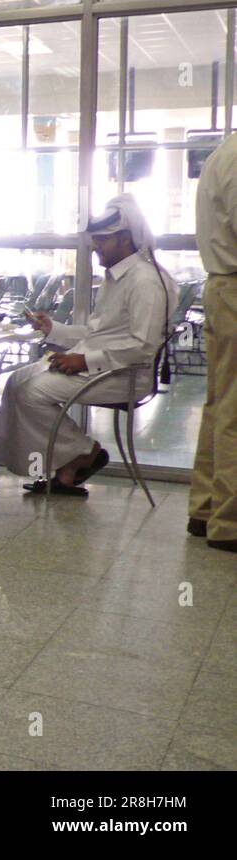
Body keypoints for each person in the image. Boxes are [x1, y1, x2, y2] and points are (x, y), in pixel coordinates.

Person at [0, 194, 177, 496]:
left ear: (124, 240)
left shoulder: (145, 282)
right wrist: (53, 329)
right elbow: (97, 334)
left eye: (102, 241)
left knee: (30, 393)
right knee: (15, 381)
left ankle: (85, 452)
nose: (95, 247)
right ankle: (66, 467)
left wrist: (85, 361)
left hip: (126, 374)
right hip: (104, 365)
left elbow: (142, 347)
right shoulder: (117, 278)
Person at [190, 133, 237, 553]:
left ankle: (205, 509)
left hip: (223, 286)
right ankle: (231, 521)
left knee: (220, 403)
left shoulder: (224, 151)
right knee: (234, 410)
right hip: (234, 286)